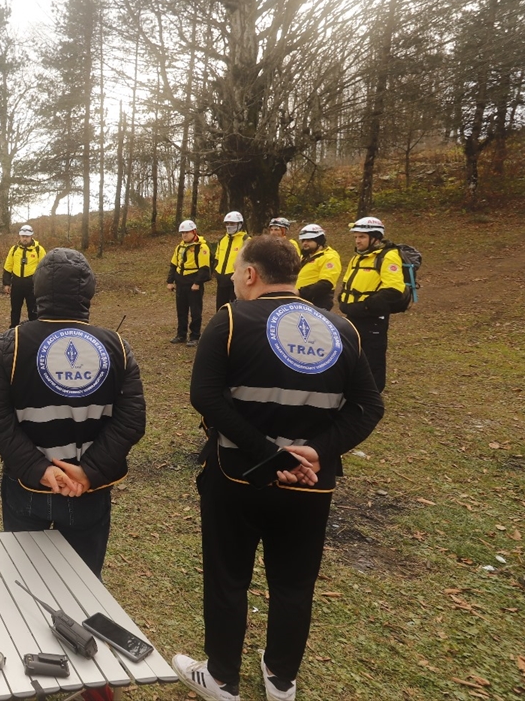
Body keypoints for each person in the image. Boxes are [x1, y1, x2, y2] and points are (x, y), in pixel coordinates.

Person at [174, 235, 384, 701]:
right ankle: (281, 680)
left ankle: (223, 678)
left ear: (251, 274)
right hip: (311, 483)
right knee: (294, 583)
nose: (232, 278)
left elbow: (204, 397)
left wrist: (269, 455)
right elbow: (368, 408)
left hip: (237, 477)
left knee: (228, 577)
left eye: (235, 271)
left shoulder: (228, 319)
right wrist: (318, 451)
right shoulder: (340, 327)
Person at [0, 248, 145, 577]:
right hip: (88, 492)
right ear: (88, 292)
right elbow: (132, 421)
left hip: (27, 487)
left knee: (24, 583)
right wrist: (89, 470)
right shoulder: (117, 347)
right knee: (84, 588)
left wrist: (37, 468)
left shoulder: (9, 345)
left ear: (38, 290)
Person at [338, 216, 405, 392]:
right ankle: (355, 388)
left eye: (362, 237)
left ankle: (372, 393)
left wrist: (366, 306)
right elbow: (348, 282)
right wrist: (343, 301)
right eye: (356, 237)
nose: (357, 241)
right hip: (354, 315)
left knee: (372, 356)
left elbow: (393, 289)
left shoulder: (388, 256)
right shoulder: (358, 257)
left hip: (372, 318)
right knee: (353, 353)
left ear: (375, 237)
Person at [166, 220, 211, 345]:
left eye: (186, 232)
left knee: (195, 311)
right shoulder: (180, 247)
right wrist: (170, 281)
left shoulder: (201, 247)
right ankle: (181, 334)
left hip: (193, 283)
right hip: (181, 282)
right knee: (181, 310)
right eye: (182, 233)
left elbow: (204, 268)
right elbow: (173, 265)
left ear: (194, 232)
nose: (184, 235)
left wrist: (197, 283)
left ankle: (195, 336)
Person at [2, 224, 46, 327]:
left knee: (33, 310)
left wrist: (42, 285)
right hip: (17, 284)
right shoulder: (14, 250)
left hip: (32, 285)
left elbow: (44, 268)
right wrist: (6, 284)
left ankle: (34, 330)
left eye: (27, 236)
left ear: (31, 236)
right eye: (23, 236)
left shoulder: (39, 250)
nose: (24, 238)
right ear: (20, 236)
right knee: (15, 310)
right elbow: (7, 267)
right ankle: (13, 331)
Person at [296, 224, 342, 310]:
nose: (305, 243)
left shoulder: (329, 257)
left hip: (317, 302)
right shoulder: (305, 257)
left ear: (319, 241)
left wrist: (300, 292)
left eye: (309, 240)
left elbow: (326, 284)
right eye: (303, 240)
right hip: (301, 301)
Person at [212, 212, 247, 310]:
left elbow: (248, 262)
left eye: (232, 223)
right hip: (222, 280)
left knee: (235, 308)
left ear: (240, 224)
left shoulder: (246, 240)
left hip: (236, 280)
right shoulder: (222, 240)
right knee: (220, 308)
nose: (229, 226)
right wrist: (216, 273)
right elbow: (217, 258)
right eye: (227, 223)